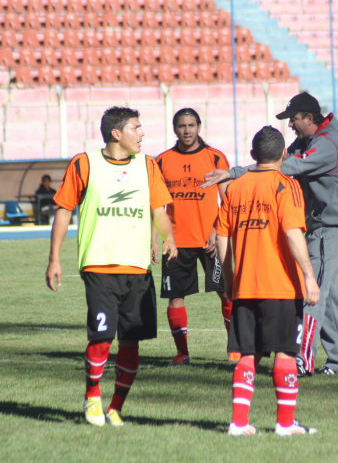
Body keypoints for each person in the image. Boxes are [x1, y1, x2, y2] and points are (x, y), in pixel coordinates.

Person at [204, 92, 338, 376]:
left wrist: (233, 173)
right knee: (326, 293)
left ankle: (303, 358)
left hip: (335, 227)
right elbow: (276, 160)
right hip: (323, 225)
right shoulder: (308, 140)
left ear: (310, 118)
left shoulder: (329, 143)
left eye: (294, 119)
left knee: (310, 290)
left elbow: (281, 166)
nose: (290, 124)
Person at [45, 106, 177, 427]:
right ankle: (92, 397)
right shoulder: (84, 163)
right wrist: (54, 258)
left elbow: (159, 210)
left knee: (131, 342)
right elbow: (63, 211)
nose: (142, 133)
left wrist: (168, 237)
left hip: (138, 269)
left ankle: (115, 407)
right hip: (99, 265)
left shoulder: (148, 165)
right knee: (102, 337)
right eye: (137, 127)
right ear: (117, 134)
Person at [216, 126, 320, 436]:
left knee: (248, 354)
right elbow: (292, 233)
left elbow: (222, 235)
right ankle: (285, 424)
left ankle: (238, 423)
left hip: (246, 285)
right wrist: (309, 276)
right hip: (280, 286)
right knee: (286, 352)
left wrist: (230, 278)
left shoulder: (235, 187)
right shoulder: (285, 186)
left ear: (252, 156)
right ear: (284, 155)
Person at [152, 107, 236, 365]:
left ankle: (235, 348)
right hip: (176, 243)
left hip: (211, 242)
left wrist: (216, 231)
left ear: (199, 126)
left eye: (191, 125)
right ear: (174, 129)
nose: (186, 130)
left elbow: (229, 200)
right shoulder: (162, 161)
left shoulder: (215, 157)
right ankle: (182, 353)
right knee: (175, 297)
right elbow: (155, 204)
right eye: (181, 126)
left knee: (226, 294)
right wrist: (157, 239)